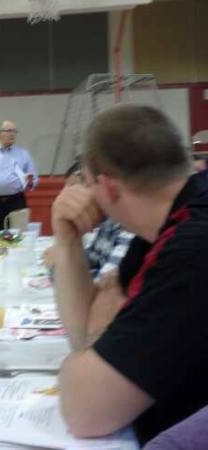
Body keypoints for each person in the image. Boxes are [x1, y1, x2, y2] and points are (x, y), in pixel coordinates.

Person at [51, 104, 208, 445]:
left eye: (87, 183)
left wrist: (97, 333)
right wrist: (67, 242)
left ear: (107, 188)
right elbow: (81, 334)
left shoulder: (190, 249)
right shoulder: (161, 226)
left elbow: (86, 411)